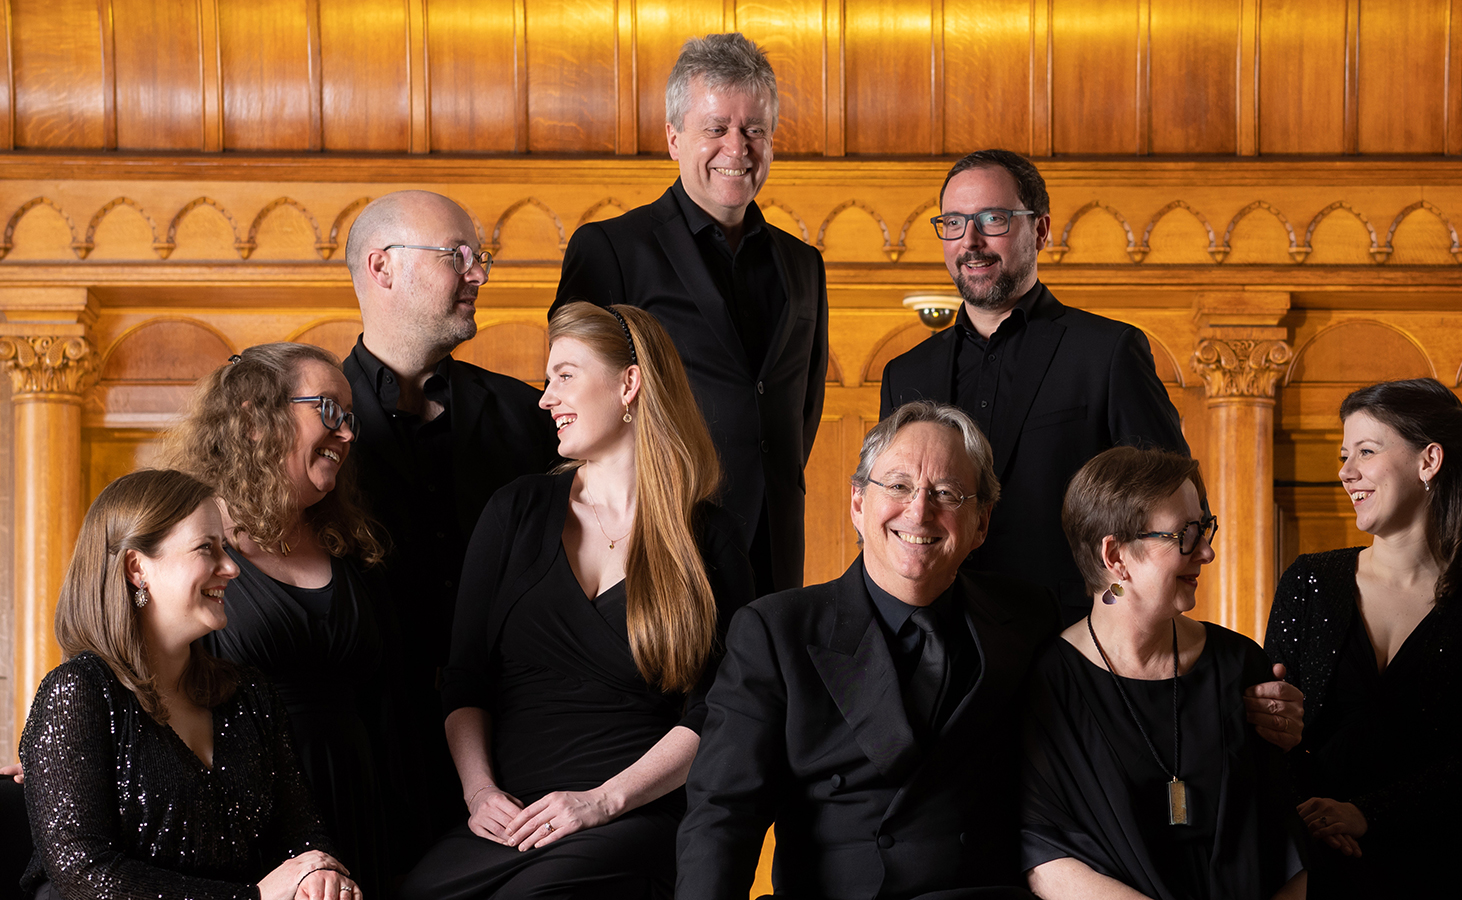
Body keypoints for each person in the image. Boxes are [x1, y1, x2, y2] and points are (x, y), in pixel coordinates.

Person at [401, 302, 755, 900]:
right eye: (547, 379)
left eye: (564, 375)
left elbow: (715, 712)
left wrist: (603, 802)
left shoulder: (709, 538)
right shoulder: (515, 510)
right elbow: (465, 681)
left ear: (629, 383)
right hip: (512, 817)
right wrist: (479, 792)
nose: (545, 398)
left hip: (631, 813)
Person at [675, 401, 1059, 900]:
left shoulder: (1029, 618)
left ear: (982, 522)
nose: (919, 511)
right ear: (858, 502)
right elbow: (722, 816)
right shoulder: (776, 632)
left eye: (946, 493)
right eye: (897, 486)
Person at [554, 32, 828, 597]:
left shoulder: (805, 264)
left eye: (754, 130)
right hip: (660, 536)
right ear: (674, 138)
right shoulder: (610, 249)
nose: (737, 148)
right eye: (716, 128)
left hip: (775, 544)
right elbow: (573, 397)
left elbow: (802, 408)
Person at [19, 468, 362, 900]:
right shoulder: (78, 693)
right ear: (135, 568)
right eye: (207, 548)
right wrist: (251, 899)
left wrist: (317, 875)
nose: (231, 568)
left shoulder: (250, 696)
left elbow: (303, 833)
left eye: (227, 547)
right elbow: (84, 875)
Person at [881, 149, 1187, 626]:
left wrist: (1126, 627)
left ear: (1040, 230)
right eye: (955, 223)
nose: (971, 241)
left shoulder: (1107, 352)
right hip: (934, 633)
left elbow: (1174, 504)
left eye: (993, 219)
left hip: (1068, 639)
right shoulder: (906, 373)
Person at [341, 189, 561, 848]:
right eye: (457, 255)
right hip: (360, 756)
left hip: (519, 752)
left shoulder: (533, 417)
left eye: (480, 256)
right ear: (382, 267)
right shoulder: (300, 421)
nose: (479, 273)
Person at [1264, 379, 1462, 899]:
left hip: (1441, 864)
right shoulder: (1310, 581)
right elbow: (1274, 727)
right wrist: (1321, 822)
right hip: (1309, 854)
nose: (1346, 472)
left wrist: (1365, 814)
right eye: (1345, 455)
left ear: (1428, 461)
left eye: (1366, 451)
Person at [158, 343, 395, 891]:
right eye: (330, 412)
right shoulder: (183, 538)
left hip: (358, 798)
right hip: (246, 807)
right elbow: (125, 665)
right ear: (254, 420)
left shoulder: (349, 545)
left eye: (351, 418)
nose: (348, 434)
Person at [1022, 446, 1297, 900]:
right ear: (1115, 556)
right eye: (1185, 535)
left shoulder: (1240, 662)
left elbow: (1288, 838)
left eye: (1205, 528)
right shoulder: (1049, 681)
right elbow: (1043, 853)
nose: (1206, 552)